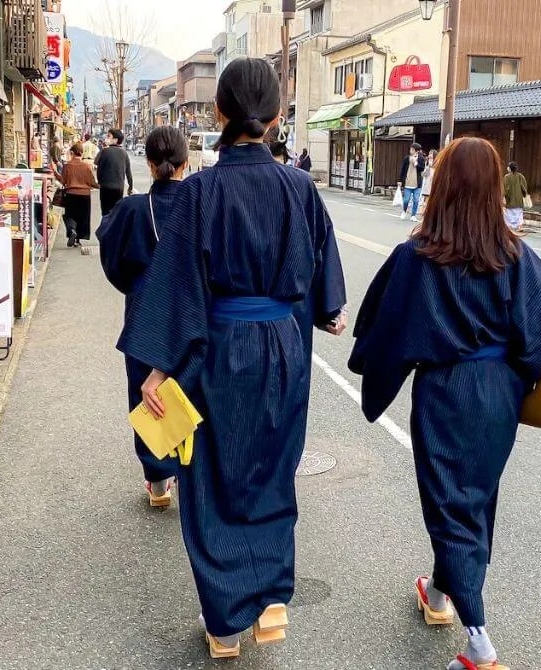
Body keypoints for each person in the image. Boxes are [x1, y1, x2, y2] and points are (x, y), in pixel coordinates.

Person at [118, 57, 346, 659]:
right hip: (281, 347)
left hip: (217, 350)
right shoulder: (299, 186)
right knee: (272, 469)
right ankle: (270, 600)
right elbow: (322, 268)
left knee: (213, 479)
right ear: (274, 117)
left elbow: (179, 287)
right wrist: (326, 310)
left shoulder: (199, 192)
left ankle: (224, 625)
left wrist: (159, 369)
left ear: (218, 113)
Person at [348, 137, 541, 670]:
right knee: (474, 497)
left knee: (449, 503)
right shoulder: (517, 256)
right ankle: (440, 593)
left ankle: (480, 641)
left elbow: (383, 326)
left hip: (445, 392)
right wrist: (516, 382)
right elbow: (539, 332)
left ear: (440, 184)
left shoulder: (418, 258)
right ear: (494, 188)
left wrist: (374, 373)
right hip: (498, 394)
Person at [96, 126, 189, 508]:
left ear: (149, 165)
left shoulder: (133, 209)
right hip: (192, 312)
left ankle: (158, 481)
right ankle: (191, 466)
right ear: (185, 164)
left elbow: (111, 257)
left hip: (143, 313)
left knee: (145, 393)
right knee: (191, 386)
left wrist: (132, 285)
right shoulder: (201, 204)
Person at [53, 142, 98, 247]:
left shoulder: (67, 166)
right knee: (83, 217)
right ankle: (78, 240)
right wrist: (101, 185)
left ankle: (72, 230)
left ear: (72, 152)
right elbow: (92, 182)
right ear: (81, 153)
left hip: (71, 194)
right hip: (85, 195)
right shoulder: (87, 166)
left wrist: (55, 172)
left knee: (69, 215)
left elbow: (63, 181)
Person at [95, 128, 135, 217]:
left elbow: (98, 166)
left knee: (105, 213)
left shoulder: (105, 151)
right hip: (119, 187)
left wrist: (99, 182)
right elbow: (128, 172)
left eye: (109, 136)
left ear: (116, 139)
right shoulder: (124, 153)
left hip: (105, 187)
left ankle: (106, 228)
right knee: (116, 212)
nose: (107, 138)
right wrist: (130, 187)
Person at [399, 143, 427, 222]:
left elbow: (422, 169)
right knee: (406, 200)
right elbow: (402, 169)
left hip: (417, 183)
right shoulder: (407, 158)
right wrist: (400, 180)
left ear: (416, 151)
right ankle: (404, 211)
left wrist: (416, 163)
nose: (410, 150)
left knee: (416, 200)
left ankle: (413, 215)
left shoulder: (421, 159)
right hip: (408, 182)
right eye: (411, 149)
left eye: (412, 149)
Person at [502, 162, 529, 236]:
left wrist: (503, 196)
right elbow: (524, 187)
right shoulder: (521, 176)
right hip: (519, 199)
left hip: (510, 199)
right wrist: (524, 194)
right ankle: (520, 226)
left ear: (510, 168)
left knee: (509, 214)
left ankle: (510, 227)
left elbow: (505, 189)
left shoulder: (507, 177)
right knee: (519, 214)